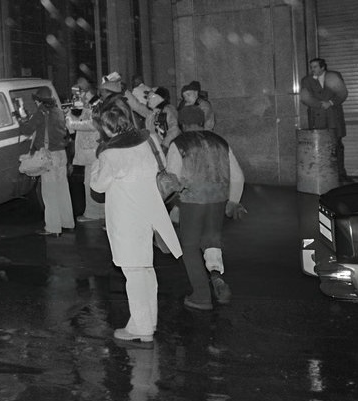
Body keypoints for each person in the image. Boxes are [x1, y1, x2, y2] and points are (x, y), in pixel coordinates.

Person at [90, 95, 181, 344]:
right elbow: (160, 165)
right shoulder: (148, 139)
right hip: (148, 212)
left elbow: (97, 185)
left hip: (126, 218)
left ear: (109, 126)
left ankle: (141, 328)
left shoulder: (110, 154)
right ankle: (146, 319)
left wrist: (97, 161)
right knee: (145, 270)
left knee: (133, 272)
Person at [165, 129, 246, 311]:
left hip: (191, 200)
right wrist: (233, 201)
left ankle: (201, 296)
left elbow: (172, 179)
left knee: (190, 246)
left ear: (183, 123)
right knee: (211, 241)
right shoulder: (220, 141)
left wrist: (173, 205)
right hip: (218, 199)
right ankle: (217, 279)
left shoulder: (180, 143)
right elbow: (238, 176)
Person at [26, 86, 74, 236]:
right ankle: (67, 222)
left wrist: (20, 120)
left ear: (39, 101)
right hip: (61, 154)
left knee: (50, 193)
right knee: (63, 190)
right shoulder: (59, 111)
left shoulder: (41, 113)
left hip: (49, 156)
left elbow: (27, 129)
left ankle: (53, 227)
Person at [299, 57, 351, 184]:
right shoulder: (306, 80)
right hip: (317, 117)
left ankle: (341, 174)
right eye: (311, 67)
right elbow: (305, 98)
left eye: (315, 67)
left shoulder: (334, 76)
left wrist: (331, 103)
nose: (312, 70)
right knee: (320, 147)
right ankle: (322, 175)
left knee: (337, 145)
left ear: (323, 67)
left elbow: (342, 93)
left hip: (334, 116)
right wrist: (320, 104)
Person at [65, 76, 104, 224]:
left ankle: (94, 213)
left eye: (80, 92)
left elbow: (93, 124)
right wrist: (73, 114)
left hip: (94, 151)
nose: (78, 96)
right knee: (92, 182)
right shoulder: (89, 105)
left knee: (92, 182)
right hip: (90, 151)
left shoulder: (97, 105)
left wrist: (72, 123)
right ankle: (98, 212)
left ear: (86, 91)